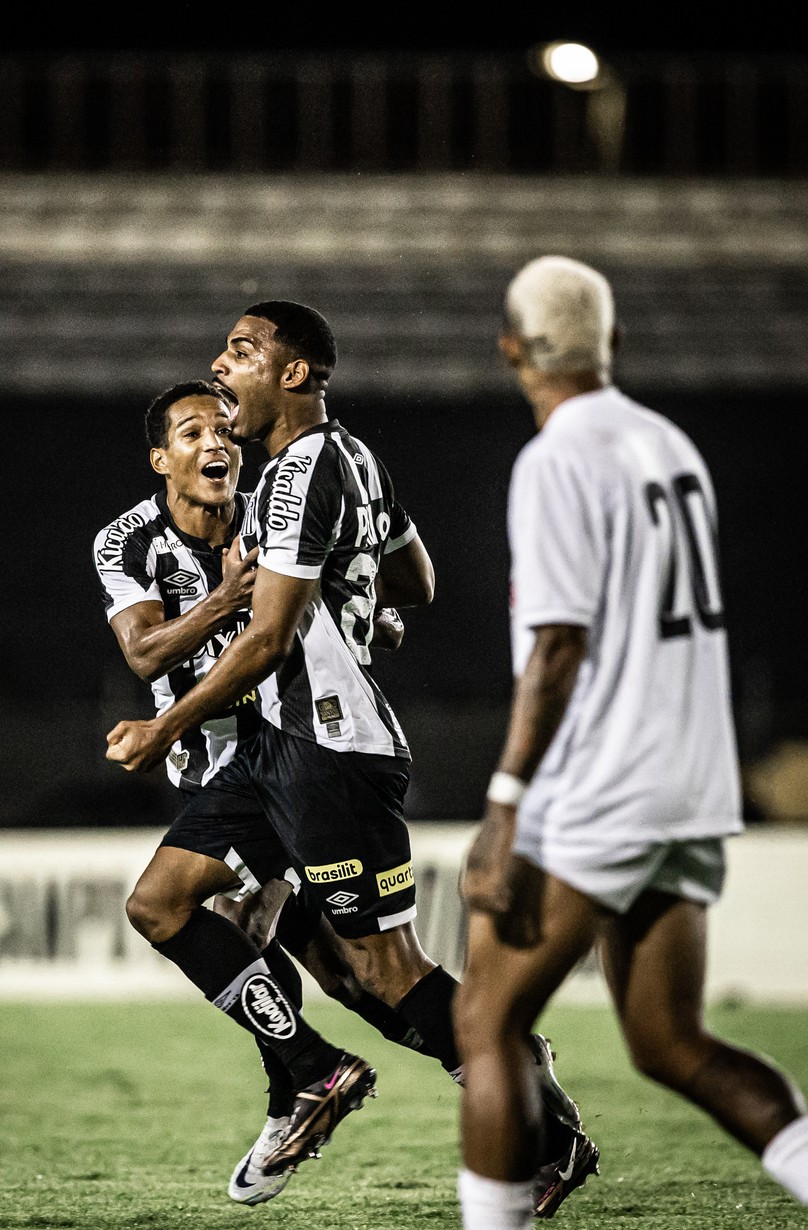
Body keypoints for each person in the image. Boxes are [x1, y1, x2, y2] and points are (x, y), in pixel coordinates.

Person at [105, 302, 594, 1213]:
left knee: (381, 973)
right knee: (161, 903)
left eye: (242, 351)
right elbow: (416, 581)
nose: (222, 366)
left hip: (327, 748)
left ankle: (539, 1117)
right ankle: (309, 1069)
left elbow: (265, 641)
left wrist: (162, 728)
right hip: (272, 751)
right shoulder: (355, 458)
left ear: (294, 373)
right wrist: (352, 599)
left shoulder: (294, 474)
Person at [454, 254, 808, 1230]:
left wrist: (504, 802)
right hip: (689, 782)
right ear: (613, 341)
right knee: (670, 1044)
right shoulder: (667, 442)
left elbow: (559, 646)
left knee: (485, 1021)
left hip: (603, 782)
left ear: (511, 350)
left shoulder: (556, 459)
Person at [93, 377, 431, 1206]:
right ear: (161, 459)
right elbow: (145, 654)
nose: (216, 443)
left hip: (288, 756)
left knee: (230, 923)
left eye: (224, 430)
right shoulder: (126, 541)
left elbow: (374, 589)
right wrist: (226, 600)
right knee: (347, 974)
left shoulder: (276, 510)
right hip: (210, 772)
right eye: (193, 433)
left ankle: (304, 1088)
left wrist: (361, 616)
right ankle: (476, 1064)